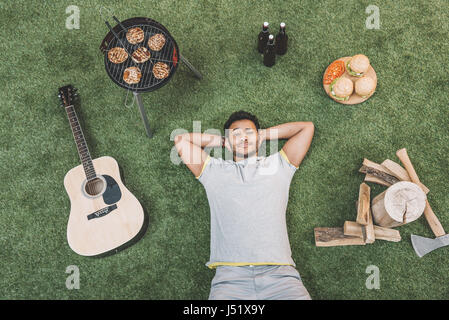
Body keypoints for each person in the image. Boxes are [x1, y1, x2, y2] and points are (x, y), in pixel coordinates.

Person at [174, 110, 314, 300]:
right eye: (236, 134)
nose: (243, 137)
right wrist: (224, 141)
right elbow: (182, 140)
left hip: (281, 278)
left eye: (249, 132)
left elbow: (306, 128)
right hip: (230, 281)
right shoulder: (213, 171)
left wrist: (263, 135)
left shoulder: (278, 165)